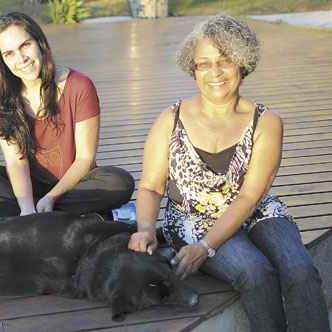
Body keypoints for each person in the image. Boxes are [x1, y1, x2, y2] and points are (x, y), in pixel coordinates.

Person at [128, 15, 330, 332]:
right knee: (255, 272)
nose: (215, 73)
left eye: (224, 61)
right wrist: (145, 228)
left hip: (255, 210)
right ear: (192, 68)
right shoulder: (170, 119)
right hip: (192, 218)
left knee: (300, 268)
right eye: (203, 64)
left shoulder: (267, 122)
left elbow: (250, 196)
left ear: (242, 63)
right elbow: (151, 187)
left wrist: (206, 248)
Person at [0, 12, 134, 218]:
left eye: (25, 45)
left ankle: (37, 219)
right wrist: (26, 207)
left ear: (39, 43)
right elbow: (15, 161)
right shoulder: (1, 98)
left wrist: (52, 197)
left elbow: (85, 159)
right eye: (9, 53)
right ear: (1, 61)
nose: (21, 59)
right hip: (29, 190)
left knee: (119, 182)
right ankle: (41, 218)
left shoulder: (79, 86)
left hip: (75, 186)